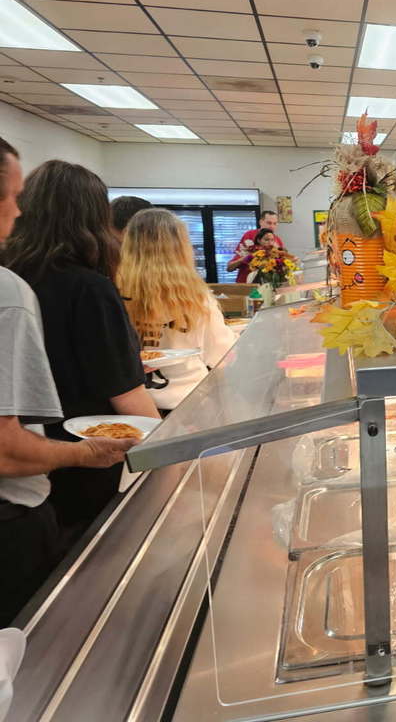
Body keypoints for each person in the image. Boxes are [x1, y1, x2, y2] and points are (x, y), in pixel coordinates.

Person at [0, 138, 135, 626]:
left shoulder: (15, 270)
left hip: (40, 474)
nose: (15, 208)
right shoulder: (77, 287)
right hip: (56, 482)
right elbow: (126, 391)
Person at [3, 159, 159, 539]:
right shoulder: (89, 288)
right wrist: (170, 454)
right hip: (83, 458)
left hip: (27, 463)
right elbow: (125, 394)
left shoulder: (10, 274)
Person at [117, 209, 237, 412]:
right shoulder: (196, 297)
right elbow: (220, 354)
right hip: (191, 403)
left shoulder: (114, 293)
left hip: (136, 407)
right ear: (181, 248)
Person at [227, 209, 284, 283]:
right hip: (247, 282)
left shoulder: (278, 240)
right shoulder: (249, 235)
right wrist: (250, 257)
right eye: (269, 223)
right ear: (261, 222)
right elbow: (231, 266)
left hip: (268, 283)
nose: (272, 226)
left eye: (275, 223)